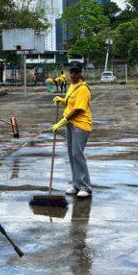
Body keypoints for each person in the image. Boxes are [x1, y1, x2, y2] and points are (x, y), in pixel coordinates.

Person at [53, 63, 92, 198]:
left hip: (80, 126)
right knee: (71, 154)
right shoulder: (72, 86)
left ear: (80, 73)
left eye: (76, 72)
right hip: (70, 124)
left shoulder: (83, 89)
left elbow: (78, 109)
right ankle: (77, 184)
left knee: (77, 155)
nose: (73, 75)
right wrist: (62, 100)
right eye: (71, 72)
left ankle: (85, 187)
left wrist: (62, 121)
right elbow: (71, 103)